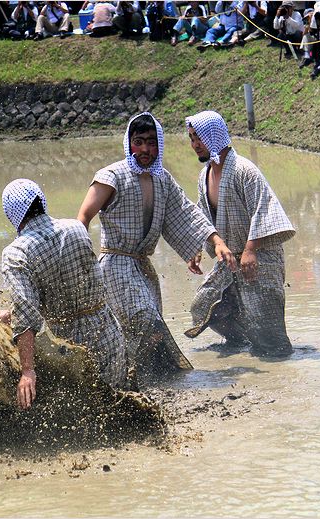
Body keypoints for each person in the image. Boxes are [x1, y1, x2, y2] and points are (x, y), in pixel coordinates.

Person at [77, 112, 236, 383]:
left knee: (142, 326)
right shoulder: (111, 176)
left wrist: (216, 241)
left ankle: (138, 379)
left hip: (142, 267)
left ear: (159, 145)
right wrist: (82, 261)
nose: (145, 150)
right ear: (129, 143)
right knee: (146, 319)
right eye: (138, 142)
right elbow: (83, 218)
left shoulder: (162, 179)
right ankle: (156, 376)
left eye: (151, 143)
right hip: (116, 265)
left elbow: (185, 213)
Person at [0, 179, 129, 409]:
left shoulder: (15, 253)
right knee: (116, 401)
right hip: (109, 336)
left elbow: (27, 315)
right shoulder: (76, 228)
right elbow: (72, 283)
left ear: (12, 214)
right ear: (42, 201)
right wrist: (14, 313)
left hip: (71, 348)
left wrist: (28, 371)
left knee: (84, 411)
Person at [184, 111, 296, 357]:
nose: (194, 144)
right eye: (191, 138)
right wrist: (194, 248)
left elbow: (264, 209)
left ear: (213, 136)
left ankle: (278, 363)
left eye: (198, 137)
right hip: (229, 259)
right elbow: (203, 218)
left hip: (259, 256)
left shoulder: (244, 170)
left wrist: (250, 250)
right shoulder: (205, 175)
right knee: (203, 307)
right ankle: (243, 342)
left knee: (268, 330)